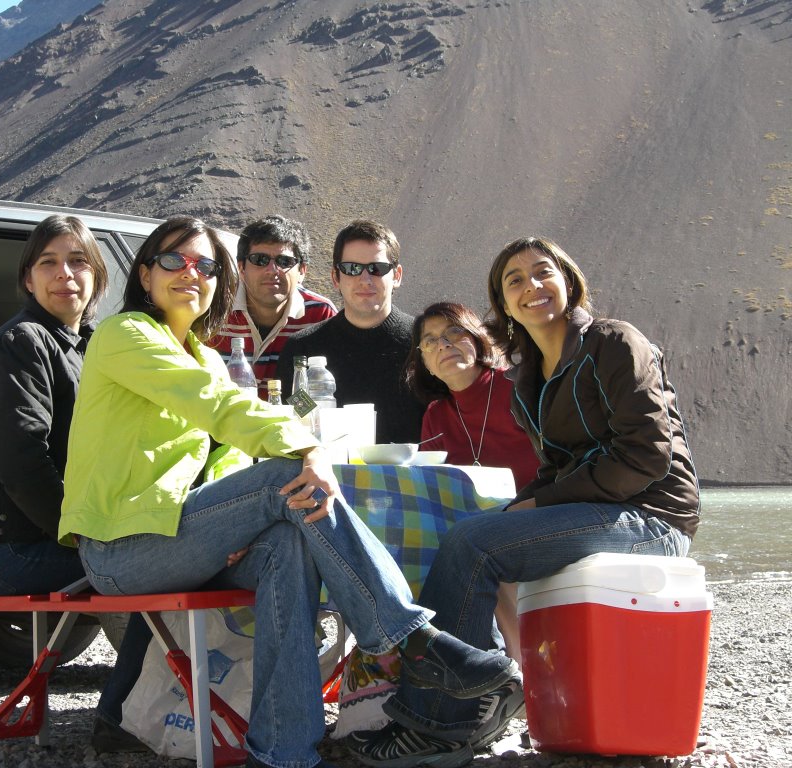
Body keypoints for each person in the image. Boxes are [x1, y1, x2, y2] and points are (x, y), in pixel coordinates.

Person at [59, 216, 519, 768]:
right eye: (173, 261)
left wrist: (237, 523)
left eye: (205, 265)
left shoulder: (205, 356)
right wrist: (307, 449)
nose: (190, 273)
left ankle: (285, 752)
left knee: (288, 543)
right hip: (121, 548)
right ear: (144, 273)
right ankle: (415, 643)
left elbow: (226, 458)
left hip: (185, 538)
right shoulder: (125, 335)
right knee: (288, 476)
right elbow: (221, 408)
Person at [349, 236, 700, 767]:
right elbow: (557, 469)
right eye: (515, 281)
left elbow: (646, 458)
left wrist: (541, 502)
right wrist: (527, 504)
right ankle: (470, 702)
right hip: (599, 512)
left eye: (543, 273)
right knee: (470, 533)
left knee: (475, 545)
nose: (531, 286)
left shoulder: (613, 342)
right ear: (504, 304)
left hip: (651, 515)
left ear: (568, 280)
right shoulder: (532, 376)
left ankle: (444, 723)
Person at [0, 215, 107, 596]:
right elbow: (20, 459)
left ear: (97, 275)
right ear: (28, 280)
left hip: (44, 534)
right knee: (143, 566)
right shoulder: (21, 343)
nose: (64, 273)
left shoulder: (96, 346)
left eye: (78, 261)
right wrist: (83, 536)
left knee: (158, 557)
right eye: (47, 262)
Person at [405, 301, 540, 663]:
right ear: (425, 362)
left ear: (477, 340)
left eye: (454, 333)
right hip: (477, 527)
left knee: (484, 545)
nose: (444, 345)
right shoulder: (436, 415)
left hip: (540, 513)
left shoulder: (517, 390)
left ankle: (517, 665)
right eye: (430, 341)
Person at [276, 219, 425, 444]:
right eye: (352, 269)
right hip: (328, 476)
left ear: (396, 276)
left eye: (376, 269)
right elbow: (296, 426)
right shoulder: (301, 353)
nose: (364, 280)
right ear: (336, 277)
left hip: (411, 477)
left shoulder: (425, 344)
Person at [209, 215, 336, 397]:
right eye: (260, 260)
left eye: (284, 262)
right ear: (241, 268)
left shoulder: (321, 314)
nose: (272, 270)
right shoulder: (214, 310)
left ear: (302, 271)